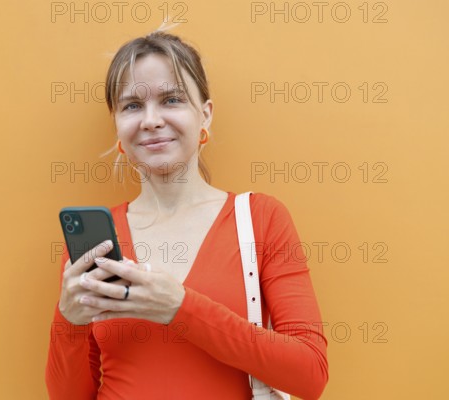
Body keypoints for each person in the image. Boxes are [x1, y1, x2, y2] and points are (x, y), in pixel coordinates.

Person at [46, 30, 328, 400]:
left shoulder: (261, 218)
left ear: (205, 115)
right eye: (132, 105)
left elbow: (310, 374)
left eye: (171, 99)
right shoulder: (98, 240)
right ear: (117, 125)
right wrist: (68, 321)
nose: (150, 120)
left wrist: (180, 308)